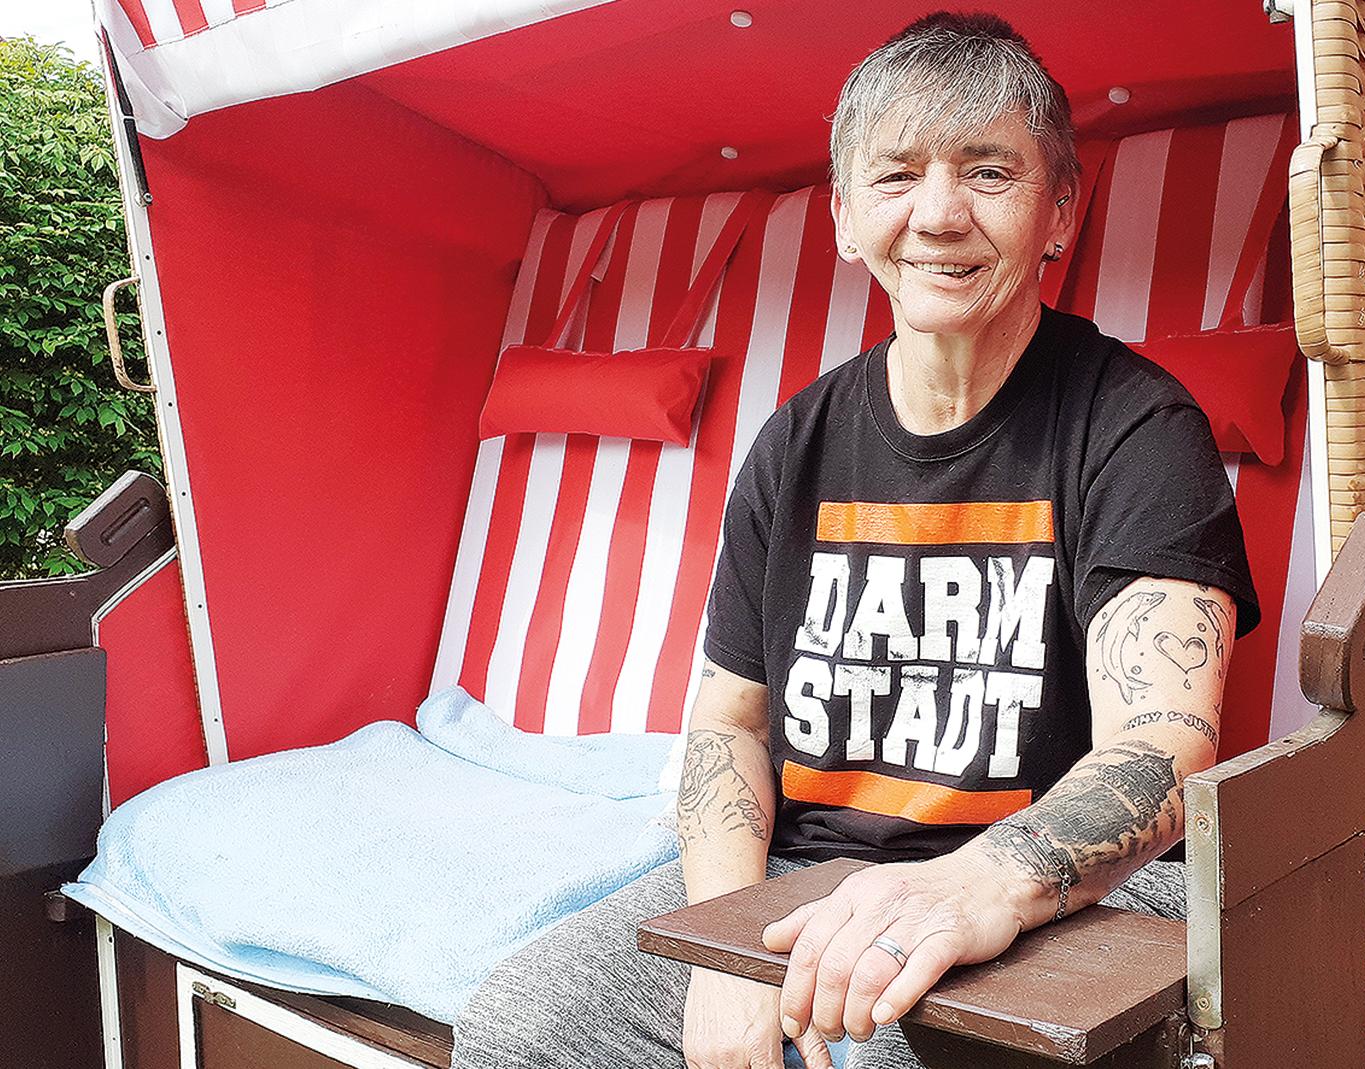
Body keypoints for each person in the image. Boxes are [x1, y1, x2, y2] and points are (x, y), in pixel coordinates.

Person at [451, 12, 1257, 1069]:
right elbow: (728, 725)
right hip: (810, 872)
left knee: (879, 1038)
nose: (940, 215)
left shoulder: (1137, 428)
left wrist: (971, 888)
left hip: (1060, 893)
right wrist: (724, 954)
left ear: (1060, 208)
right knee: (523, 1024)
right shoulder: (795, 441)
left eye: (988, 172)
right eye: (896, 176)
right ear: (843, 216)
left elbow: (1161, 748)